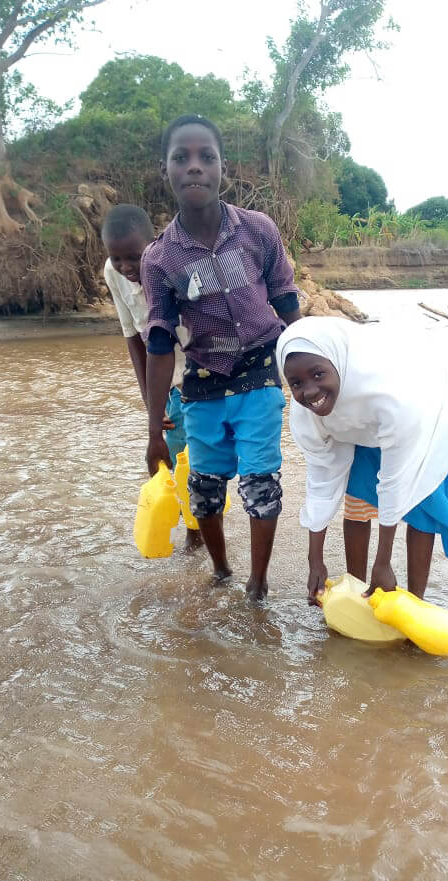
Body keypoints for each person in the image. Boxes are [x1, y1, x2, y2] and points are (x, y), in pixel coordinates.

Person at [142, 114, 302, 600]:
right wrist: (154, 430)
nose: (194, 167)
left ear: (222, 168)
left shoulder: (257, 230)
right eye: (181, 158)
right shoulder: (159, 259)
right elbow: (159, 343)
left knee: (260, 482)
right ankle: (221, 571)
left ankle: (257, 585)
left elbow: (286, 301)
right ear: (166, 170)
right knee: (204, 489)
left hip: (260, 371)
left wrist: (311, 374)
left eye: (206, 157)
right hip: (203, 382)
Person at [276, 316, 448, 604]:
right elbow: (321, 481)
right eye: (296, 383)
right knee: (357, 503)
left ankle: (415, 600)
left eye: (318, 375)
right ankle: (357, 590)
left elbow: (395, 482)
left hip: (423, 416)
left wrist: (383, 562)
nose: (310, 391)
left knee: (420, 506)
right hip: (360, 428)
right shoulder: (307, 411)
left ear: (336, 364)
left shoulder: (391, 396)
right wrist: (315, 560)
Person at [101, 203, 202, 550]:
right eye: (117, 258)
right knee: (174, 456)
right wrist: (151, 407)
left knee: (199, 459)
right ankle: (193, 532)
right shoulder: (113, 273)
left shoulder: (176, 265)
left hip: (200, 369)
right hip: (168, 380)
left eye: (134, 257)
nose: (127, 267)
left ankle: (198, 534)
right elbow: (133, 337)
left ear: (153, 243)